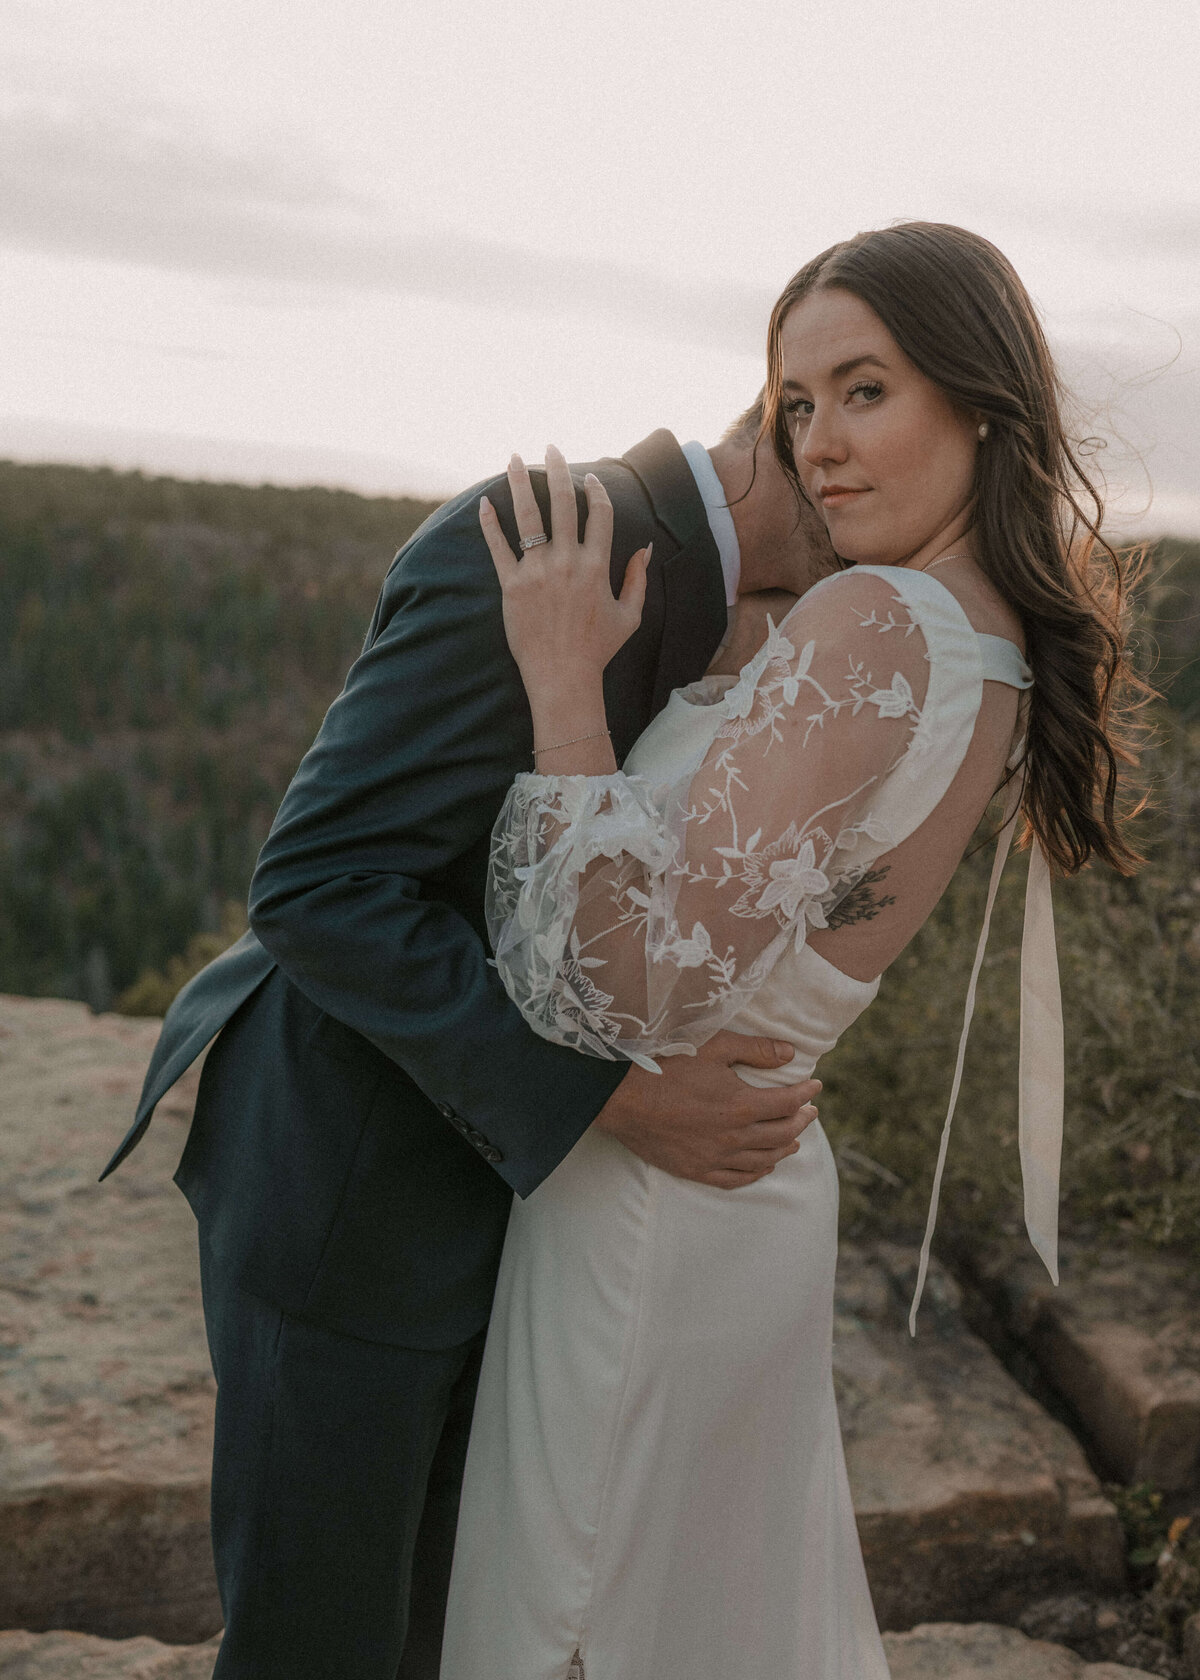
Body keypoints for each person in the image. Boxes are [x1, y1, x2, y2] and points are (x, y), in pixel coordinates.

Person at [449, 222, 1146, 1680]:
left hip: (652, 1187)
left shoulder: (871, 620)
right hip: (745, 1182)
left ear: (979, 398)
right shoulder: (992, 641)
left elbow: (624, 988)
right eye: (797, 404)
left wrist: (567, 689)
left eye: (865, 390)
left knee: (586, 1619)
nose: (821, 442)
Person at [99, 414, 836, 1677]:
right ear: (800, 419)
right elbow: (320, 886)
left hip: (545, 1239)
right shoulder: (544, 545)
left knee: (450, 1637)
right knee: (321, 1646)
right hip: (357, 1196)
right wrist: (609, 1099)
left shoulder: (790, 622)